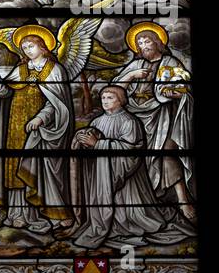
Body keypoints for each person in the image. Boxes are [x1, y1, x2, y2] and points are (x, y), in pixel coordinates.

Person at [71, 85, 190, 248]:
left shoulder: (129, 121)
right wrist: (82, 141)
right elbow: (91, 149)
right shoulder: (96, 121)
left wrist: (99, 144)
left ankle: (127, 221)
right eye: (103, 98)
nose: (105, 101)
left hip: (128, 182)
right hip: (101, 176)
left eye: (110, 98)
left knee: (133, 213)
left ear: (121, 100)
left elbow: (132, 150)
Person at [0, 25, 75, 233]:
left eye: (31, 46)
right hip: (16, 126)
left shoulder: (55, 70)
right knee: (15, 167)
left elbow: (57, 103)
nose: (27, 50)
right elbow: (5, 93)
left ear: (43, 47)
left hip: (42, 130)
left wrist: (41, 119)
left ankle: (48, 214)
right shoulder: (21, 70)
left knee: (42, 168)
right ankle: (19, 214)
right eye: (23, 47)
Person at [114, 22, 195, 222]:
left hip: (164, 117)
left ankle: (184, 202)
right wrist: (132, 75)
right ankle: (143, 203)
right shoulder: (135, 65)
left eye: (147, 40)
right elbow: (114, 89)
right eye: (140, 43)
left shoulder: (170, 62)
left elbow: (184, 88)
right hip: (135, 117)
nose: (144, 45)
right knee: (136, 159)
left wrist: (174, 93)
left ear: (157, 42)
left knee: (168, 155)